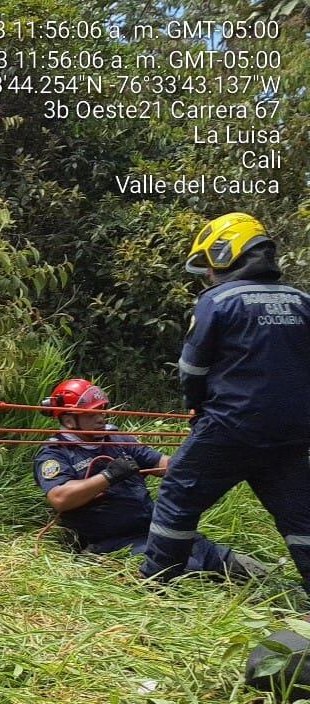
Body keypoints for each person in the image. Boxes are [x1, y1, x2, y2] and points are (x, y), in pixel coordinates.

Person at [141, 213, 310, 593]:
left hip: (231, 424)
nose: (207, 274)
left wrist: (196, 408)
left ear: (226, 254)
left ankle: (157, 583)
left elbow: (192, 368)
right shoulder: (303, 301)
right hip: (294, 431)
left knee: (179, 491)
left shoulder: (217, 301)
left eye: (208, 264)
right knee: (301, 514)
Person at [34, 377, 263, 579]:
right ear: (69, 420)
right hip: (112, 542)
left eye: (102, 410)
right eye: (92, 413)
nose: (101, 417)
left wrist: (206, 451)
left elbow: (163, 465)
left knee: (228, 561)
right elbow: (60, 498)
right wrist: (108, 476)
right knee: (186, 570)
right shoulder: (55, 454)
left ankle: (266, 582)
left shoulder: (117, 440)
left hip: (155, 529)